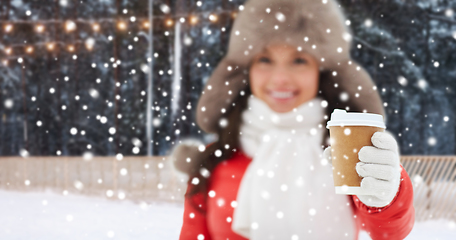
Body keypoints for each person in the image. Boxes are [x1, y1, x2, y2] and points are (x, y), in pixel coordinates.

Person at [172, 0, 415, 239]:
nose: (280, 78)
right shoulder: (213, 160)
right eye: (265, 60)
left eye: (299, 60)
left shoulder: (347, 153)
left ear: (321, 72)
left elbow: (388, 232)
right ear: (246, 70)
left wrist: (387, 192)